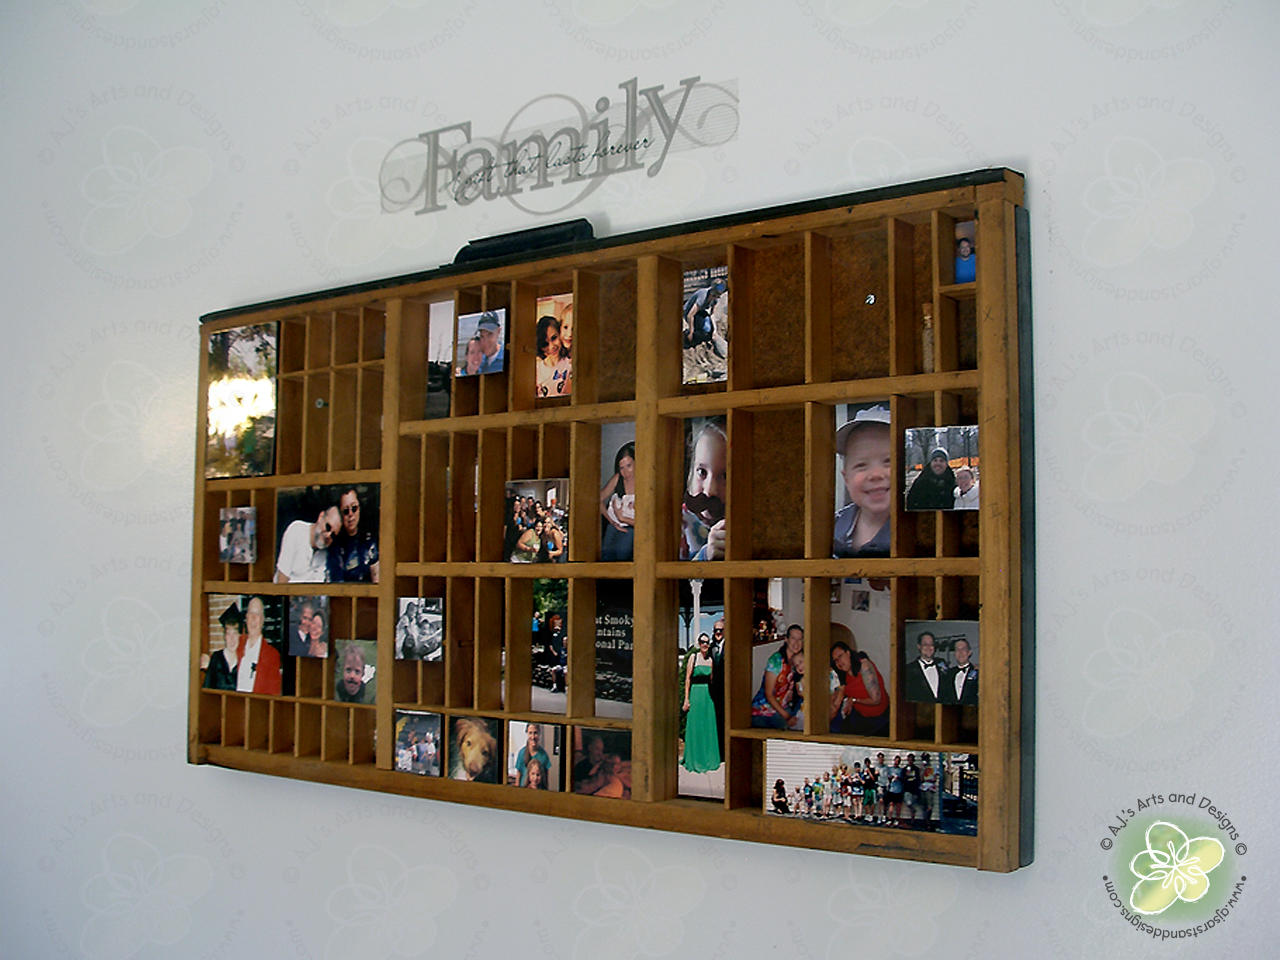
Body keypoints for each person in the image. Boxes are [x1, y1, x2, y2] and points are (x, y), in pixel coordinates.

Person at [833, 405, 892, 558]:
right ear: (846, 479)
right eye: (861, 465)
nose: (875, 475)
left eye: (888, 461)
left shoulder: (921, 530)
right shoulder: (830, 528)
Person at [828, 626, 889, 736]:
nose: (839, 662)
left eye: (840, 656)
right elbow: (837, 699)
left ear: (848, 653)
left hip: (879, 718)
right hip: (861, 715)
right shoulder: (842, 676)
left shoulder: (864, 666)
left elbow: (876, 699)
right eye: (836, 660)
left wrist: (854, 700)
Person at [680, 418, 727, 561]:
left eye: (725, 476)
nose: (710, 490)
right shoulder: (678, 523)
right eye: (702, 472)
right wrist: (706, 556)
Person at [681, 633, 721, 773]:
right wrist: (686, 699)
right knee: (696, 726)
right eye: (703, 642)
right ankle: (695, 759)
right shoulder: (693, 657)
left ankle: (708, 758)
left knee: (707, 727)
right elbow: (687, 679)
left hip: (707, 696)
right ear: (699, 643)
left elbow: (712, 680)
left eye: (707, 642)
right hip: (695, 694)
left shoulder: (710, 660)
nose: (705, 644)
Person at [751, 624, 804, 729]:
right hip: (765, 710)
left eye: (800, 639)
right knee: (787, 729)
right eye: (793, 638)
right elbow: (769, 695)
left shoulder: (800, 660)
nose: (796, 643)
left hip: (784, 707)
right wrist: (787, 717)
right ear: (786, 639)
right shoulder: (775, 661)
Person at [275, 505, 341, 582]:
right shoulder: (297, 530)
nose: (328, 535)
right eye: (328, 527)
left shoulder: (326, 552)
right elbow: (282, 577)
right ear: (321, 517)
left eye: (333, 535)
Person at [328, 487, 379, 583]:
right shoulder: (335, 546)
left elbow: (376, 576)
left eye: (354, 508)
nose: (350, 514)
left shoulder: (369, 539)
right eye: (346, 511)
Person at [236, 597, 282, 695]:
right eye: (251, 613)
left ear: (263, 620)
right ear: (246, 617)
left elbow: (274, 693)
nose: (253, 618)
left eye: (257, 614)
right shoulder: (237, 645)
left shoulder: (272, 655)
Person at [599, 441, 636, 562]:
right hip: (614, 526)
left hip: (631, 528)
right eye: (622, 468)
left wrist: (623, 519)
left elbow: (646, 523)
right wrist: (612, 521)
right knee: (606, 558)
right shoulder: (618, 479)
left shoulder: (644, 483)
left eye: (629, 466)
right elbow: (598, 499)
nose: (626, 472)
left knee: (622, 558)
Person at [203, 603, 242, 690]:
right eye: (228, 634)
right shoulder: (216, 658)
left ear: (240, 636)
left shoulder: (244, 659)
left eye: (235, 634)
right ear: (225, 636)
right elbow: (207, 688)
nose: (232, 639)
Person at [535, 314, 572, 397]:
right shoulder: (537, 370)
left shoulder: (569, 363)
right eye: (545, 344)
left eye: (554, 338)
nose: (551, 346)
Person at [904, 631, 944, 704]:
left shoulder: (941, 663)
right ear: (919, 646)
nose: (929, 647)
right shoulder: (909, 670)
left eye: (931, 644)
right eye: (925, 644)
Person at [943, 638, 979, 705]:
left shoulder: (978, 672)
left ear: (969, 652)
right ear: (954, 653)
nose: (960, 652)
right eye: (957, 649)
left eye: (963, 649)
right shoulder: (948, 674)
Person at [515, 723, 551, 787]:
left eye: (535, 733)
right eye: (530, 733)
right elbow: (518, 779)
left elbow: (546, 781)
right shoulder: (522, 753)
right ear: (527, 733)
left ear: (539, 733)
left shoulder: (544, 755)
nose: (533, 737)